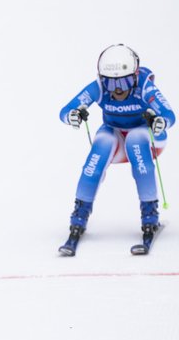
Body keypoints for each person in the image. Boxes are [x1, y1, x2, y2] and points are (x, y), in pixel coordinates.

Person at [58, 44, 175, 255]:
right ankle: (79, 217)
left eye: (124, 81)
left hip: (146, 137)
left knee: (136, 140)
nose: (118, 89)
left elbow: (169, 114)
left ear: (135, 76)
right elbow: (66, 110)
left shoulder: (145, 87)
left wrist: (160, 122)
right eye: (111, 83)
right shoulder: (99, 87)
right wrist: (72, 115)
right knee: (100, 148)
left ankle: (150, 215)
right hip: (114, 133)